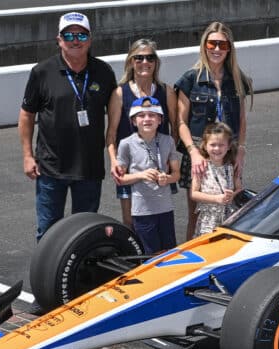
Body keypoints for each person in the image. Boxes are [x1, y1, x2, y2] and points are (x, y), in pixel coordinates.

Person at [19, 12, 116, 241]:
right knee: (48, 233)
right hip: (51, 167)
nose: (75, 41)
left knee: (84, 233)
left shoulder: (103, 72)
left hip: (89, 168)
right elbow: (26, 114)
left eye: (82, 36)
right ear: (59, 39)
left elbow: (115, 114)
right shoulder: (42, 72)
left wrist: (116, 155)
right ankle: (44, 276)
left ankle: (79, 275)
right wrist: (27, 155)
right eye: (69, 35)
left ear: (90, 40)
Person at [175, 21, 253, 239]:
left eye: (222, 45)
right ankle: (191, 262)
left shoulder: (237, 79)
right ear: (204, 46)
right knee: (197, 214)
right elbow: (180, 121)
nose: (217, 49)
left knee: (231, 212)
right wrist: (193, 152)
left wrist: (241, 150)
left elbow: (242, 120)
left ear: (229, 48)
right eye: (212, 44)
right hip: (199, 154)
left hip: (229, 154)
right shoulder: (191, 79)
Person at [106, 39, 178, 230]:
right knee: (131, 221)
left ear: (156, 62)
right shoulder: (120, 93)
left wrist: (171, 161)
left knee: (161, 220)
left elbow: (175, 129)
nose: (145, 62)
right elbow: (111, 134)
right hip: (131, 169)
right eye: (139, 58)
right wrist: (114, 162)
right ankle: (137, 261)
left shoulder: (166, 92)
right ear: (131, 62)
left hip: (159, 170)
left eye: (150, 58)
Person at [116, 97, 180, 253]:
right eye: (141, 115)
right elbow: (120, 179)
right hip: (142, 211)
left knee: (169, 253)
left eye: (152, 115)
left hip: (165, 208)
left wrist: (167, 178)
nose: (147, 119)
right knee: (149, 255)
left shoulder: (168, 140)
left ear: (160, 120)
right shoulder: (126, 144)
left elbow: (176, 174)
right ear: (133, 121)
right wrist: (141, 175)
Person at [190, 123, 242, 238]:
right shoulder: (201, 167)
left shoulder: (231, 166)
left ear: (228, 146)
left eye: (221, 145)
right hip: (208, 221)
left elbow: (239, 188)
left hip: (229, 218)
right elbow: (194, 193)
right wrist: (216, 199)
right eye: (213, 145)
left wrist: (233, 195)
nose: (217, 148)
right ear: (204, 145)